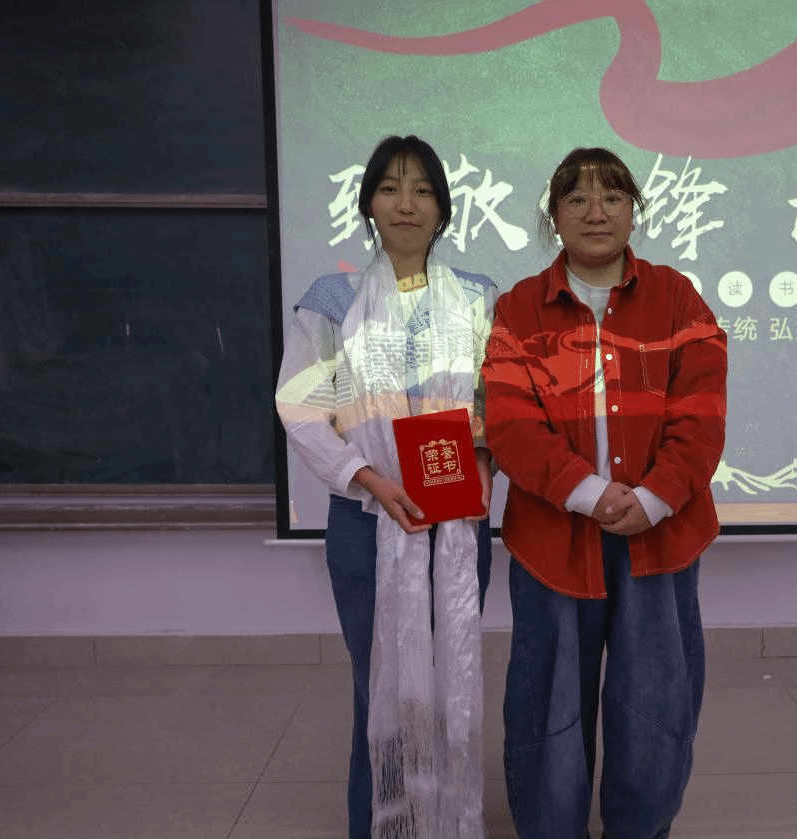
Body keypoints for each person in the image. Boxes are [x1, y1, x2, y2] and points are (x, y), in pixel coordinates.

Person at [482, 147, 727, 838]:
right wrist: (589, 493)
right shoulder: (518, 308)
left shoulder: (678, 297)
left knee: (656, 703)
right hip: (552, 542)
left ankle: (641, 828)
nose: (596, 213)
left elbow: (702, 413)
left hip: (661, 536)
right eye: (578, 199)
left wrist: (652, 498)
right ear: (554, 216)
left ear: (633, 211)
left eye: (613, 197)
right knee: (548, 707)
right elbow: (510, 423)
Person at [276, 135, 497, 839]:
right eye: (391, 188)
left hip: (455, 518)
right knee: (381, 689)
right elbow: (303, 407)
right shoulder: (333, 300)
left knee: (449, 681)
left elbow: (494, 400)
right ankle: (382, 826)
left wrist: (485, 457)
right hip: (366, 519)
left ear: (443, 209)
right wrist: (367, 476)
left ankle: (448, 822)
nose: (407, 203)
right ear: (369, 202)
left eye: (423, 189)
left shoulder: (478, 297)